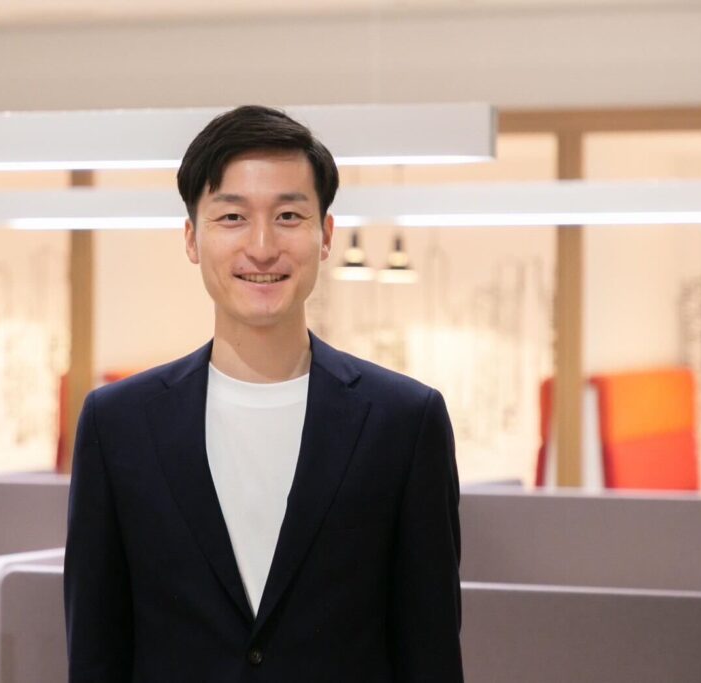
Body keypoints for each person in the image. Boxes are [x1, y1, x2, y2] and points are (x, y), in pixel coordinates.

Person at [64, 105, 463, 682]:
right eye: (232, 216)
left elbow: (430, 652)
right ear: (192, 238)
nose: (262, 246)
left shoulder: (404, 421)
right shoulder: (118, 424)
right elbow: (96, 650)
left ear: (326, 236)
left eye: (288, 216)